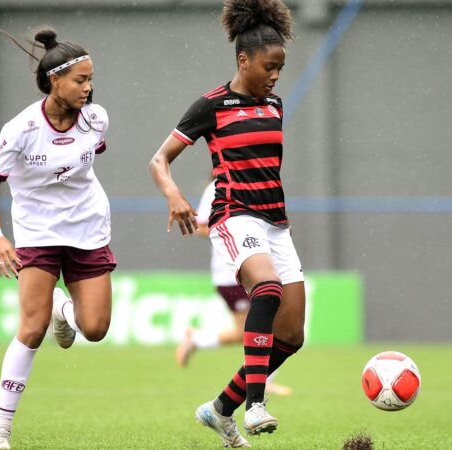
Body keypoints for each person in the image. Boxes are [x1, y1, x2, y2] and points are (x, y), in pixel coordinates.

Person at [149, 0, 303, 447]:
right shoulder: (211, 106)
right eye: (269, 67)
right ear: (243, 60)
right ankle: (256, 404)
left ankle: (219, 410)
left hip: (276, 222)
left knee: (292, 337)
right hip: (234, 217)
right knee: (267, 291)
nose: (275, 76)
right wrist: (174, 194)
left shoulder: (273, 104)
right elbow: (159, 159)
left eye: (280, 68)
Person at [0, 28, 115, 450]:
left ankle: (63, 306)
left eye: (91, 79)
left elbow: (83, 165)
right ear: (54, 80)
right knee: (32, 329)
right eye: (80, 80)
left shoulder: (96, 118)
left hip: (88, 228)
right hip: (37, 232)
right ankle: (0, 433)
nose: (88, 88)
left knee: (94, 328)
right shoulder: (21, 128)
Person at [177, 178, 292, 397]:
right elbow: (199, 227)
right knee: (254, 330)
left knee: (276, 325)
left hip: (259, 269)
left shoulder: (259, 181)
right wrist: (232, 228)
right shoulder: (216, 188)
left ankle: (263, 378)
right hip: (231, 273)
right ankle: (198, 340)